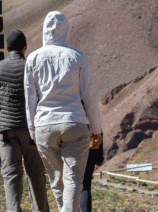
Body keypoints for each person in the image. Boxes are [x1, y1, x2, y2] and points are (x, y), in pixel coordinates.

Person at [25, 11, 102, 212]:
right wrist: (97, 129)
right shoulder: (77, 57)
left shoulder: (33, 59)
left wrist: (33, 131)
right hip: (74, 123)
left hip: (44, 126)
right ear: (67, 30)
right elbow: (90, 97)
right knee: (73, 179)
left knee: (57, 181)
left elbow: (30, 99)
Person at [0, 30, 49, 212]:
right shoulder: (32, 68)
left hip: (7, 132)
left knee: (11, 176)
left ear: (6, 48)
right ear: (25, 48)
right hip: (31, 132)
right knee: (36, 175)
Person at [80, 135, 104, 212]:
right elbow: (97, 127)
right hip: (90, 146)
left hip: (67, 145)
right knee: (85, 185)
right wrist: (99, 157)